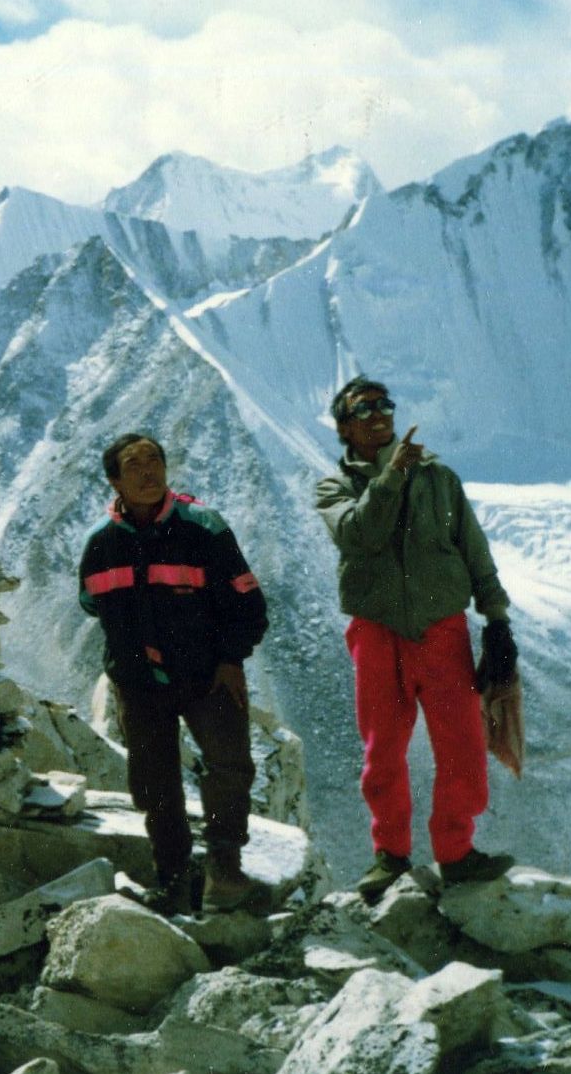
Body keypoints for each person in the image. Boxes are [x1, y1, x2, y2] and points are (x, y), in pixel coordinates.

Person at [314, 377, 519, 901]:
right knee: (383, 748)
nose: (379, 415)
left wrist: (496, 619)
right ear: (344, 427)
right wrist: (392, 476)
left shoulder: (439, 478)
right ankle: (391, 854)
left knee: (463, 743)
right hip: (376, 631)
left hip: (441, 629)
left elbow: (473, 549)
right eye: (365, 410)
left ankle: (456, 852)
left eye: (385, 405)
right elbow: (358, 535)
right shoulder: (333, 488)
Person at [79, 433, 272, 915]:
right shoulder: (101, 544)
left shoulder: (203, 528)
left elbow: (249, 604)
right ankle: (174, 880)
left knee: (229, 767)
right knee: (153, 782)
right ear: (114, 481)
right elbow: (90, 602)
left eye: (155, 461)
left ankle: (224, 869)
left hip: (210, 676)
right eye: (133, 465)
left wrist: (231, 660)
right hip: (139, 685)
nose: (148, 472)